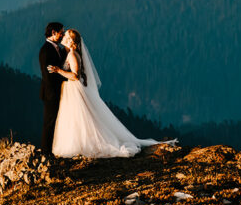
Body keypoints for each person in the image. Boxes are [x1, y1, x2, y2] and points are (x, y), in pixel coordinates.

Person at [47, 28, 171, 158]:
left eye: (66, 36)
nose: (63, 37)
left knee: (79, 118)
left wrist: (58, 71)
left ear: (71, 41)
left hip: (74, 89)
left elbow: (75, 75)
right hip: (73, 89)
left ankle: (81, 144)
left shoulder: (72, 55)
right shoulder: (72, 53)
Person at [38, 21, 66, 156]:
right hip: (51, 93)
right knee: (49, 122)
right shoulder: (46, 51)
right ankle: (45, 152)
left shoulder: (57, 49)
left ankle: (53, 149)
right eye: (61, 33)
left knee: (56, 121)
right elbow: (47, 76)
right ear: (53, 32)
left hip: (57, 91)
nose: (63, 35)